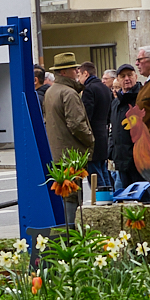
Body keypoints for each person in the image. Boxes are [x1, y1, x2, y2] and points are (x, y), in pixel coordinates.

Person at [43, 53, 94, 225]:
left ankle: (65, 232)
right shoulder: (69, 93)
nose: (77, 71)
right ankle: (70, 234)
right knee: (72, 195)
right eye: (74, 69)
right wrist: (90, 140)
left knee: (64, 194)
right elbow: (77, 124)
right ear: (64, 72)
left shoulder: (51, 91)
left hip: (58, 152)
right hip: (71, 154)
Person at [76, 61, 113, 188]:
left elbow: (86, 116)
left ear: (86, 73)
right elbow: (109, 114)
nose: (78, 78)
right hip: (103, 133)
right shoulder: (105, 88)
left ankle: (101, 200)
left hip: (92, 136)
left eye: (79, 75)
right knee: (103, 170)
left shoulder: (89, 89)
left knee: (94, 173)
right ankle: (109, 198)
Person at [109, 64, 144, 190]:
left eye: (129, 75)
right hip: (121, 160)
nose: (126, 79)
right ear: (118, 80)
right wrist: (111, 151)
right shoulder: (115, 103)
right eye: (122, 76)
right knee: (125, 200)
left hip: (140, 161)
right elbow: (113, 129)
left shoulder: (142, 99)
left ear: (136, 76)